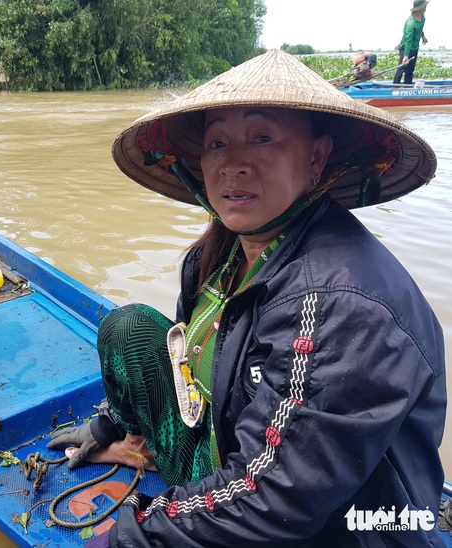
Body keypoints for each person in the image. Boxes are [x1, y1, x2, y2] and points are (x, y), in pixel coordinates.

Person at [48, 49, 446, 546]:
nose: (233, 163)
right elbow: (184, 372)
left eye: (263, 138)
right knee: (128, 327)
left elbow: (271, 497)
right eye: (218, 143)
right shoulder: (217, 257)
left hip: (331, 526)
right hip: (232, 450)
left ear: (317, 156)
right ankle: (137, 445)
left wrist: (127, 536)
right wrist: (110, 425)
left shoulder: (336, 303)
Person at [393, 0, 429, 85]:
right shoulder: (410, 23)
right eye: (424, 6)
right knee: (402, 68)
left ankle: (407, 86)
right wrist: (405, 56)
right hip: (406, 47)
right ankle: (394, 88)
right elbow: (408, 41)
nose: (426, 7)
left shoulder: (422, 16)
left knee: (410, 69)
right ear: (419, 8)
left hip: (415, 47)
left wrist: (423, 36)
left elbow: (420, 28)